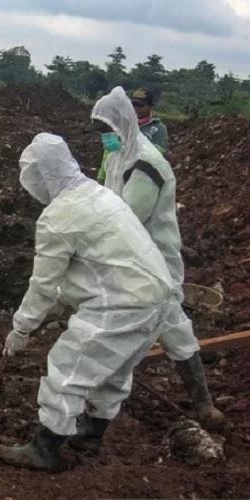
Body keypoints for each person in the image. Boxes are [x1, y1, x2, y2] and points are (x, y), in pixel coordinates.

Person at [0, 133, 175, 472]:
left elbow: (43, 285)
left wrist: (22, 327)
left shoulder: (58, 217)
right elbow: (94, 263)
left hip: (123, 303)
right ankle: (92, 432)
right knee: (115, 369)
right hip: (156, 297)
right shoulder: (98, 194)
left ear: (41, 175)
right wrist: (61, 303)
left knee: (66, 367)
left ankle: (45, 448)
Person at [91, 86, 224, 428]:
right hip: (133, 262)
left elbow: (126, 217)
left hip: (151, 263)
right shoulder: (119, 155)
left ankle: (96, 424)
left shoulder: (147, 163)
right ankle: (203, 406)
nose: (105, 138)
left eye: (108, 131)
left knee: (133, 332)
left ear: (124, 125)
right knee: (175, 328)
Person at [96, 87, 168, 183]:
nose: (136, 108)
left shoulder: (158, 128)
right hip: (114, 177)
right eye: (133, 104)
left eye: (141, 105)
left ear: (150, 107)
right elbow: (108, 153)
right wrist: (101, 177)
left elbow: (157, 154)